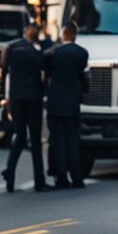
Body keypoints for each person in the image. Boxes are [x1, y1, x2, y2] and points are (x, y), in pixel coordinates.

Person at [1, 24, 48, 192]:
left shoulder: (12, 48)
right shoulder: (38, 52)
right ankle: (39, 180)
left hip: (16, 98)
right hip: (33, 99)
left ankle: (10, 172)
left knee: (19, 137)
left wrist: (6, 98)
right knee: (35, 140)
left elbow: (5, 71)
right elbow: (44, 71)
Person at [45, 22, 89, 188]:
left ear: (63, 34)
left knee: (58, 141)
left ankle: (61, 177)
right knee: (73, 140)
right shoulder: (82, 53)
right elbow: (81, 74)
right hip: (72, 101)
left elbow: (46, 69)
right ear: (75, 34)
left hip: (56, 101)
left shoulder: (55, 53)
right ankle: (77, 178)